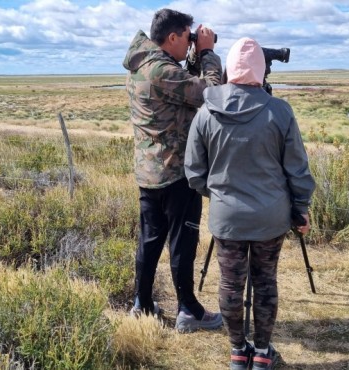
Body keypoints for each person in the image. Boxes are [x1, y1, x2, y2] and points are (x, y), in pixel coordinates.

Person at [184, 37, 315, 370]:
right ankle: (262, 352)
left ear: (229, 68)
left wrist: (220, 196)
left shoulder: (205, 113)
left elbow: (194, 173)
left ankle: (237, 352)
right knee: (265, 281)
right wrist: (300, 208)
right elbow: (298, 171)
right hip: (271, 218)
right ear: (260, 69)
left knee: (230, 283)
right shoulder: (280, 112)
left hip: (227, 219)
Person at [122, 8, 223, 333]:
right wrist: (206, 52)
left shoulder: (142, 67)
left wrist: (193, 56)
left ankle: (142, 302)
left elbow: (185, 93)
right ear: (174, 37)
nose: (190, 43)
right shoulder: (162, 71)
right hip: (176, 174)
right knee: (182, 242)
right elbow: (210, 93)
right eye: (188, 37)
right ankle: (188, 310)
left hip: (149, 173)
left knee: (150, 240)